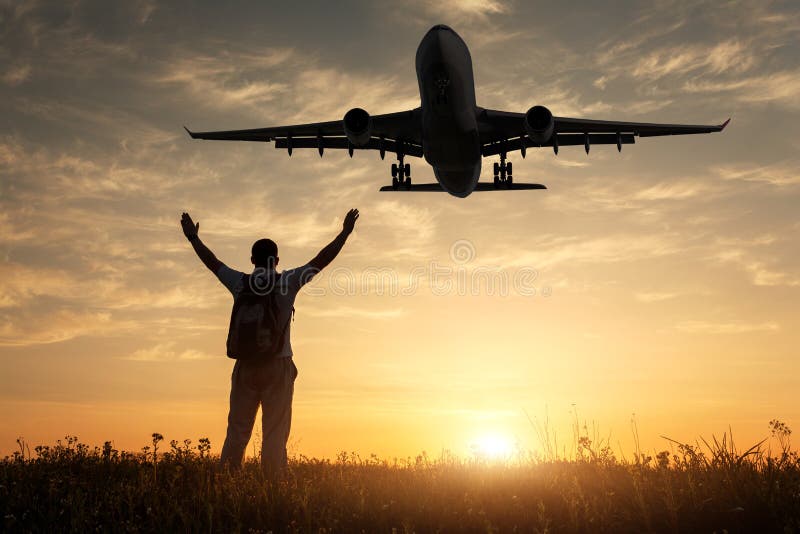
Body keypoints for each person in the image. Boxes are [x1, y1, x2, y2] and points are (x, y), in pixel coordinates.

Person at [180, 208, 360, 475]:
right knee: (274, 433)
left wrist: (193, 238)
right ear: (277, 259)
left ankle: (226, 484)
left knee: (237, 430)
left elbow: (212, 262)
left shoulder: (240, 282)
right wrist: (344, 233)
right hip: (278, 365)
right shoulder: (288, 281)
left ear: (252, 259)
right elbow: (321, 259)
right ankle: (273, 489)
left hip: (245, 366)